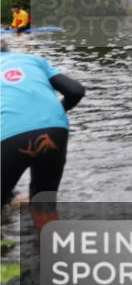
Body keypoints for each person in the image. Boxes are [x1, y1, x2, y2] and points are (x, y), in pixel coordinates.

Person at [1, 37, 85, 230]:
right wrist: (55, 112)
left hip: (11, 134)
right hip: (55, 129)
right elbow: (76, 90)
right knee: (44, 208)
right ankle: (56, 256)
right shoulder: (33, 60)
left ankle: (6, 257)